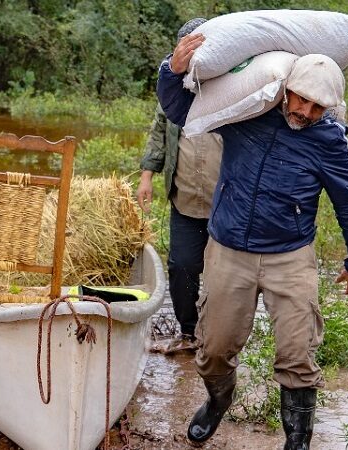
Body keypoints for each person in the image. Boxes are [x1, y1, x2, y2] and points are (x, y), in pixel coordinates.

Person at [157, 33, 348, 449]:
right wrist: (174, 71)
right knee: (214, 351)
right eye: (299, 99)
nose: (305, 112)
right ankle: (218, 401)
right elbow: (182, 109)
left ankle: (297, 442)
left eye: (316, 107)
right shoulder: (247, 112)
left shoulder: (327, 139)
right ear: (285, 90)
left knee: (298, 354)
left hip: (289, 257)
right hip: (228, 250)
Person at [137, 19, 224, 355]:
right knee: (182, 266)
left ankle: (218, 337)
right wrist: (147, 176)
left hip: (225, 201)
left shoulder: (233, 87)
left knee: (223, 274)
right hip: (185, 197)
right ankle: (189, 334)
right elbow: (159, 132)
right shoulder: (173, 90)